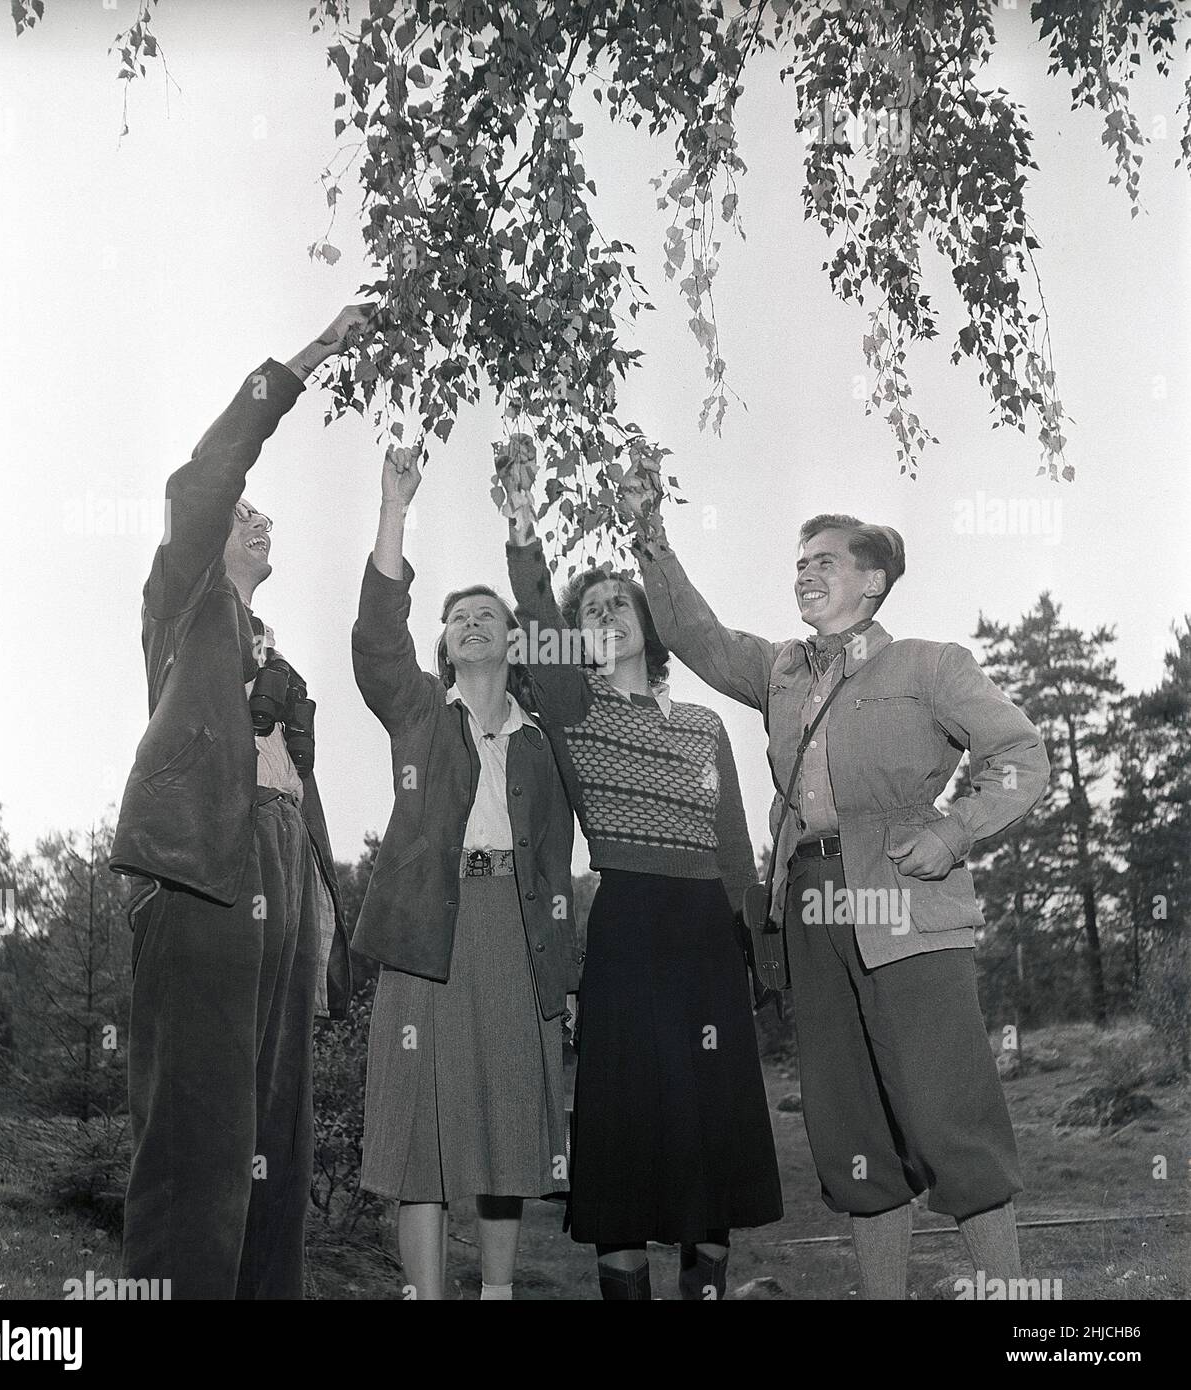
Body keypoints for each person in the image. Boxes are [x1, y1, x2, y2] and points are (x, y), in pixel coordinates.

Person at [624, 481, 1051, 1300]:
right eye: (797, 566)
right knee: (849, 1127)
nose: (803, 577)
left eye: (823, 563)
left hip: (903, 901)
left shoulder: (930, 664)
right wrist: (650, 532)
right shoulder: (780, 670)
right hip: (809, 907)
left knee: (948, 1112)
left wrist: (954, 830)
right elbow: (692, 634)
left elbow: (1021, 755)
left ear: (873, 581)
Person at [110, 306, 369, 1299]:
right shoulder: (182, 601)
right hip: (200, 867)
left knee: (275, 1136)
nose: (256, 518)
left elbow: (308, 800)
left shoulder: (286, 669)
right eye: (243, 513)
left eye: (268, 515)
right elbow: (205, 475)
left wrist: (330, 915)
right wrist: (314, 355)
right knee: (199, 1137)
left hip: (282, 877)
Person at [495, 436, 782, 1301]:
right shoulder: (573, 710)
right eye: (594, 609)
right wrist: (522, 527)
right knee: (623, 1130)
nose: (607, 614)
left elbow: (734, 848)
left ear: (647, 624)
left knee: (708, 1127)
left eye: (621, 602)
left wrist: (755, 950)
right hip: (626, 927)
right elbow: (538, 617)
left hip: (705, 936)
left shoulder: (704, 726)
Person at [352, 442, 579, 1301]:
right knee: (421, 1129)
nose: (475, 623)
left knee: (503, 1119)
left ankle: (496, 1295)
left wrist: (522, 523)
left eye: (490, 615)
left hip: (515, 931)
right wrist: (394, 508)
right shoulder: (418, 714)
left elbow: (559, 643)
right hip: (425, 932)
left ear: (514, 644)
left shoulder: (545, 730)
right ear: (445, 646)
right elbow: (377, 641)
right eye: (460, 619)